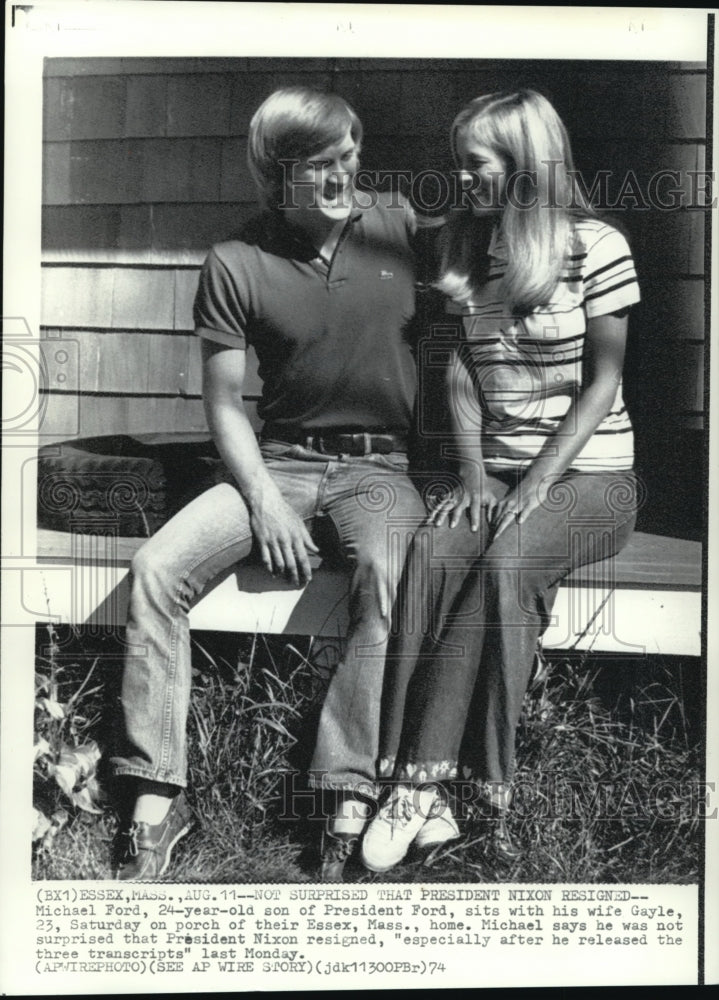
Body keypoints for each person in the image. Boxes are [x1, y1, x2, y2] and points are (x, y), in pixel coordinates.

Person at [110, 87, 428, 881]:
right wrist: (260, 501)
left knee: (387, 572)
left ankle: (343, 793)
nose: (341, 175)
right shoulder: (236, 260)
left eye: (349, 154)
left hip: (379, 467)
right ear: (276, 172)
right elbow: (223, 401)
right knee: (156, 571)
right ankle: (156, 794)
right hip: (278, 462)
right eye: (320, 163)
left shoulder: (402, 227)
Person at [360, 89, 642, 872]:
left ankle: (441, 785)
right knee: (431, 556)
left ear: (522, 165)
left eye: (474, 163)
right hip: (499, 470)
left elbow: (601, 383)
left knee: (504, 570)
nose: (461, 177)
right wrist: (478, 474)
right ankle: (426, 791)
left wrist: (534, 484)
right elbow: (456, 367)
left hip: (593, 477)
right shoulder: (463, 245)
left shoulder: (596, 247)